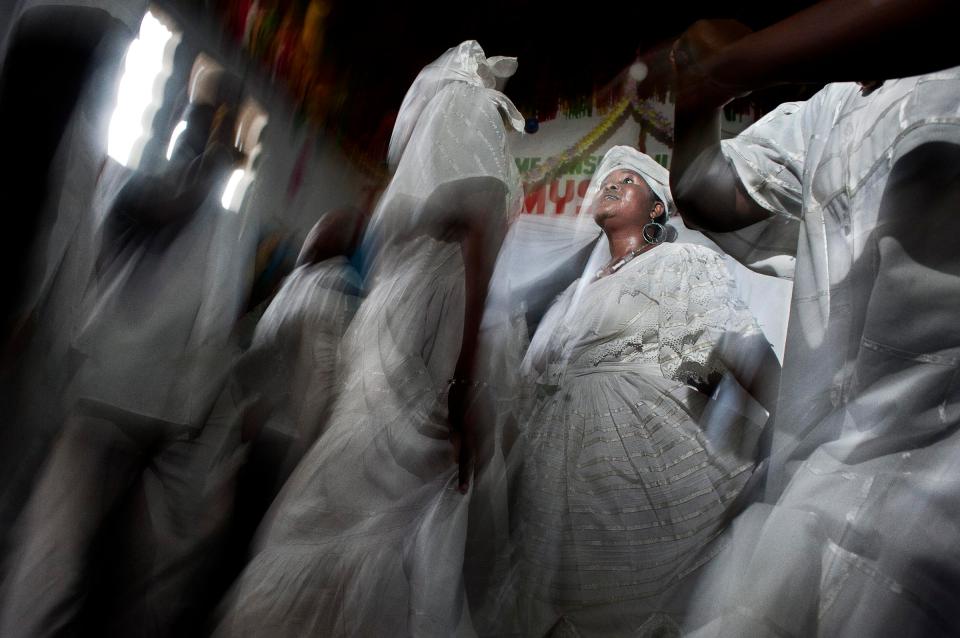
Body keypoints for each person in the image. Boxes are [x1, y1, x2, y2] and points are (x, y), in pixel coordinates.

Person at [215, 40, 525, 636]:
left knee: (363, 501)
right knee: (369, 497)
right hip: (412, 338)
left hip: (402, 333)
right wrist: (464, 380)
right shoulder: (468, 110)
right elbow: (482, 227)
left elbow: (465, 231)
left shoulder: (444, 134)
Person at [671, 3, 960, 635]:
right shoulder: (828, 108)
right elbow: (703, 191)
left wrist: (735, 63)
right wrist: (695, 98)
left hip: (940, 499)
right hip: (822, 479)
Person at [0, 66, 249, 638]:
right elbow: (166, 212)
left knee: (100, 564)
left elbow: (214, 316)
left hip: (141, 408)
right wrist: (214, 156)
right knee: (59, 560)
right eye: (201, 119)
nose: (204, 133)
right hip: (112, 398)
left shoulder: (205, 210)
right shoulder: (144, 184)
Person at [486, 145, 774, 636]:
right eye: (607, 180)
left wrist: (793, 425)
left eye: (629, 181)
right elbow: (535, 383)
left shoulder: (677, 261)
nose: (612, 185)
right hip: (559, 482)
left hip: (645, 461)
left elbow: (734, 345)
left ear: (657, 208)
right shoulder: (573, 295)